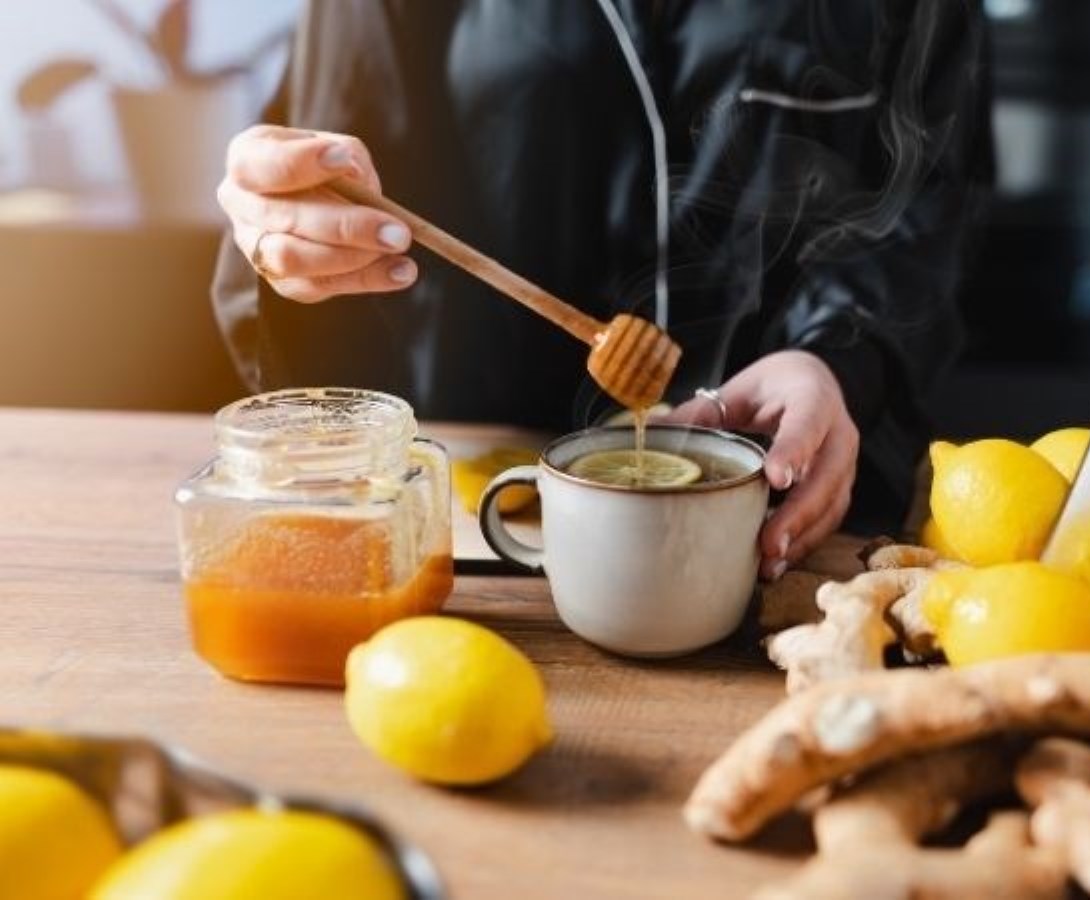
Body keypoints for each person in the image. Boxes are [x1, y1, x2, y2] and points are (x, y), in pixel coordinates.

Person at [212, 1, 990, 579]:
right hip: (485, 535)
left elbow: (927, 210)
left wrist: (837, 360)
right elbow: (331, 186)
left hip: (786, 524)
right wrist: (294, 241)